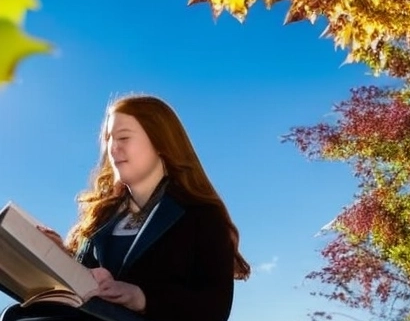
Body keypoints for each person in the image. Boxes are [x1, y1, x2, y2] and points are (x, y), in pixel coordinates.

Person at [1, 94, 250, 321]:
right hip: (81, 316)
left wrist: (141, 297)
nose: (113, 148)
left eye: (123, 138)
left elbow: (214, 309)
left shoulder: (201, 216)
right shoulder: (100, 219)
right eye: (108, 139)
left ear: (161, 141)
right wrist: (57, 258)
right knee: (14, 315)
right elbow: (83, 287)